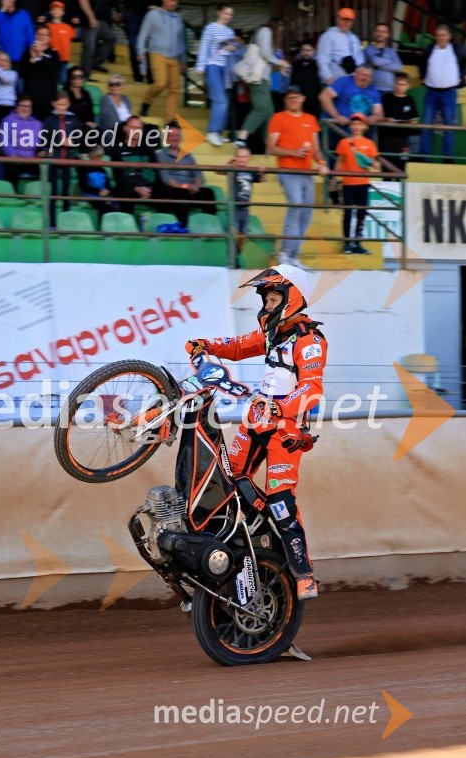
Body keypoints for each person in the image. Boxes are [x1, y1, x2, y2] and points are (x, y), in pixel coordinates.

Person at [185, 264, 327, 602]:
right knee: (227, 477)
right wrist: (205, 345)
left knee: (280, 500)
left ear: (292, 299)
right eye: (265, 297)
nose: (266, 304)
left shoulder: (310, 341)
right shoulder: (269, 334)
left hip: (286, 428)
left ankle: (303, 572)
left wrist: (281, 408)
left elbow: (311, 390)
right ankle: (239, 545)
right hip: (256, 419)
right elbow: (236, 345)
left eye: (274, 297)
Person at [266, 85, 328, 268]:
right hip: (288, 170)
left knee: (306, 214)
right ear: (285, 100)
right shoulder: (278, 118)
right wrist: (294, 152)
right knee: (296, 207)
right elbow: (271, 148)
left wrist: (322, 163)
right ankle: (285, 252)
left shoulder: (310, 119)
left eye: (296, 96)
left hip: (306, 172)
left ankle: (294, 255)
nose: (293, 100)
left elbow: (316, 149)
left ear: (302, 98)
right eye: (290, 97)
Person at [235, 18, 289, 148]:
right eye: (280, 28)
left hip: (262, 79)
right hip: (258, 80)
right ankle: (241, 138)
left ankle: (269, 144)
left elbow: (265, 63)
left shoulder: (265, 32)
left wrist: (278, 67)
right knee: (260, 110)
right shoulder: (266, 31)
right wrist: (280, 62)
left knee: (269, 113)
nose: (281, 31)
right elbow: (265, 53)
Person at [419, 24, 466, 162]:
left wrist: (463, 76)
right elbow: (421, 63)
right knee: (426, 125)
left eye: (443, 35)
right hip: (431, 92)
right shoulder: (429, 49)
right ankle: (424, 156)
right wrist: (422, 76)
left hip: (449, 93)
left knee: (449, 126)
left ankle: (447, 157)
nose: (440, 38)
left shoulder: (457, 49)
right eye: (438, 35)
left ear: (449, 36)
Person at [335, 112, 380, 255]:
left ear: (365, 126)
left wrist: (375, 164)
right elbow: (339, 161)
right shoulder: (343, 142)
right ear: (350, 126)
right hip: (348, 183)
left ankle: (357, 242)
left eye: (359, 123)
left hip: (363, 182)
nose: (356, 126)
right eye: (354, 123)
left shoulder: (369, 143)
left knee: (362, 213)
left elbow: (376, 163)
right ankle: (347, 243)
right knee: (347, 213)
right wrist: (334, 179)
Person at [155, 120, 216, 224]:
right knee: (181, 193)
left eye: (177, 135)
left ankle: (211, 225)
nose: (175, 138)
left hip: (190, 189)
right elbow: (165, 177)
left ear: (181, 137)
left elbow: (198, 174)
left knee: (208, 193)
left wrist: (196, 186)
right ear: (166, 138)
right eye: (172, 135)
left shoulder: (188, 155)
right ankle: (183, 227)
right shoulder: (160, 155)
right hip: (173, 190)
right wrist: (185, 186)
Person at [136, 0, 186, 121]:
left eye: (176, 1)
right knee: (160, 83)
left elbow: (180, 41)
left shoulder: (178, 18)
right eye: (171, 0)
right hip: (157, 53)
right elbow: (143, 34)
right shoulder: (153, 14)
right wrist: (140, 51)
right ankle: (146, 102)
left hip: (174, 57)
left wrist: (183, 59)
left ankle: (170, 120)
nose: (174, 3)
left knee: (174, 90)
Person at [195, 3, 237, 147]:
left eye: (230, 14)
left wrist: (231, 48)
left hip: (225, 69)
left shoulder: (230, 32)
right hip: (212, 66)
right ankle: (212, 131)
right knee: (221, 100)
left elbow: (231, 49)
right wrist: (200, 66)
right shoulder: (210, 28)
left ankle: (218, 132)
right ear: (219, 12)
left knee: (222, 100)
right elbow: (204, 47)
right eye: (226, 13)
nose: (228, 17)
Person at [40, 89, 80, 225]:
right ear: (53, 104)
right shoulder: (49, 120)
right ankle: (52, 224)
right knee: (53, 193)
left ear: (68, 104)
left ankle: (65, 223)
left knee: (66, 194)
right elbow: (44, 143)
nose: (61, 108)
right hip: (53, 161)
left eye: (64, 105)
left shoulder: (73, 119)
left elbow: (79, 140)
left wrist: (72, 143)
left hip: (68, 160)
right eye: (59, 105)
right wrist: (58, 144)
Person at [110, 115, 158, 211]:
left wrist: (147, 188)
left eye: (138, 128)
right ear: (125, 128)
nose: (135, 131)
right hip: (128, 188)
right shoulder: (117, 149)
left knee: (166, 192)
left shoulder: (148, 149)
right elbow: (118, 176)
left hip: (147, 187)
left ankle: (167, 224)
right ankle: (128, 225)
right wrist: (136, 188)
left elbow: (154, 172)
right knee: (124, 191)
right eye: (132, 127)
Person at [0, 94, 43, 187]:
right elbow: (4, 140)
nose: (25, 108)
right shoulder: (7, 120)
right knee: (10, 167)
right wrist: (13, 155)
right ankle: (12, 198)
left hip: (33, 159)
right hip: (14, 158)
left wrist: (42, 151)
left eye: (28, 106)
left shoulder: (38, 124)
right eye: (22, 105)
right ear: (16, 106)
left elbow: (44, 142)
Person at [19, 23, 61, 120]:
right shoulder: (27, 52)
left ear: (49, 38)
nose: (41, 36)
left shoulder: (54, 54)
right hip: (30, 102)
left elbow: (54, 72)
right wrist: (32, 59)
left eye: (44, 34)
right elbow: (22, 73)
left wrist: (41, 55)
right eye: (39, 34)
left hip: (47, 102)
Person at [379, 72, 419, 170]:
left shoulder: (410, 100)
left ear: (408, 86)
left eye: (403, 84)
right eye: (398, 84)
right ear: (394, 84)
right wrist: (386, 119)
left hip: (403, 139)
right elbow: (379, 117)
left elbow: (414, 120)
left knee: (401, 166)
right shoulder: (386, 98)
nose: (400, 87)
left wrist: (404, 123)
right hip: (387, 137)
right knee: (387, 167)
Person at [315, 7, 364, 86]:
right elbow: (322, 59)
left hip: (352, 80)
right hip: (334, 80)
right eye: (344, 20)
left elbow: (360, 58)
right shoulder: (328, 35)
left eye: (349, 20)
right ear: (337, 19)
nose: (346, 23)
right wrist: (328, 77)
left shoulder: (354, 37)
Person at [224, 145, 264, 238]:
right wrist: (231, 161)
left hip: (245, 207)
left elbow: (262, 179)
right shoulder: (233, 170)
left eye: (244, 157)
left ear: (249, 158)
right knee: (234, 232)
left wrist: (262, 171)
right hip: (234, 206)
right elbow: (220, 170)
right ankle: (232, 252)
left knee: (243, 234)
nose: (241, 159)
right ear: (235, 157)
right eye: (239, 156)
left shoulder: (251, 171)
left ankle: (237, 252)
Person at [0, 0, 35, 68]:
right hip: (1, 61)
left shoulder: (24, 14)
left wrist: (31, 54)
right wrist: (2, 10)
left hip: (20, 59)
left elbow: (30, 37)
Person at [78, 0, 116, 78]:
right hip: (89, 20)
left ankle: (95, 62)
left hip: (102, 21)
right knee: (90, 48)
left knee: (111, 38)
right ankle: (85, 76)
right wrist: (91, 17)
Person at [364, 22, 403, 94]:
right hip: (372, 88)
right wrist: (391, 61)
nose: (380, 34)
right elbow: (375, 61)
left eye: (383, 32)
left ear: (388, 35)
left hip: (389, 89)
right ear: (374, 33)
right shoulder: (368, 49)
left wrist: (378, 65)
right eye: (378, 31)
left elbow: (398, 67)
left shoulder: (391, 51)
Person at [47, 0, 76, 84]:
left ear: (63, 12)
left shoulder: (68, 27)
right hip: (51, 59)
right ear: (51, 12)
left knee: (63, 81)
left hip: (64, 59)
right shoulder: (47, 26)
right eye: (54, 9)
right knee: (52, 81)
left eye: (59, 9)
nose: (56, 11)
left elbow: (73, 38)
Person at [122, 0, 152, 84]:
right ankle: (138, 77)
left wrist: (158, 6)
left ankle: (150, 77)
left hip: (150, 12)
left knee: (151, 46)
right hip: (132, 11)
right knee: (134, 46)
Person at [290, 41, 321, 119]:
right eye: (304, 50)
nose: (306, 52)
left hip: (314, 101)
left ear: (314, 51)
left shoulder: (318, 65)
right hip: (298, 101)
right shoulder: (295, 65)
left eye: (309, 50)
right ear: (300, 51)